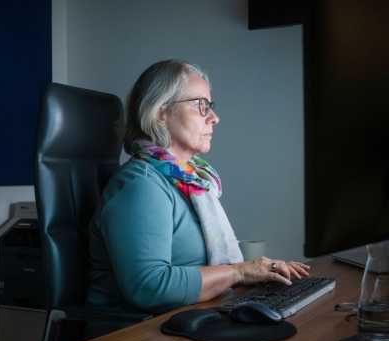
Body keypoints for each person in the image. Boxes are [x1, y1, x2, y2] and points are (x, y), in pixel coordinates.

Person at [86, 59, 309, 323]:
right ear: (160, 111)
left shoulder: (195, 182)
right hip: (138, 337)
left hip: (190, 320)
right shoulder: (141, 185)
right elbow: (149, 287)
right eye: (201, 105)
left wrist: (258, 270)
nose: (214, 117)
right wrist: (240, 272)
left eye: (210, 106)